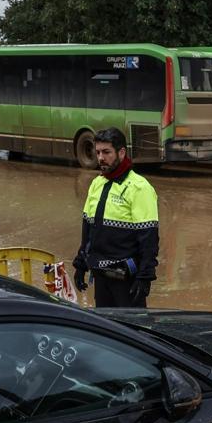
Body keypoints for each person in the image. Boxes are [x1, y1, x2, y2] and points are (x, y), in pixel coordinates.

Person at [72, 127, 159, 307]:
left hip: (126, 279)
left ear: (121, 152)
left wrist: (144, 277)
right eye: (97, 152)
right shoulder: (97, 184)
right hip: (100, 276)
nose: (101, 158)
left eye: (106, 152)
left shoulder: (139, 187)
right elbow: (88, 231)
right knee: (106, 330)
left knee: (131, 331)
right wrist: (81, 264)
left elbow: (148, 238)